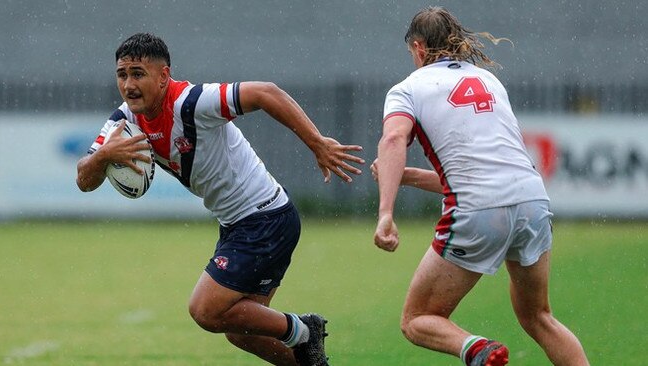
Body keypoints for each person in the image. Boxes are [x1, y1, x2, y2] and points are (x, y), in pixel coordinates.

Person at [76, 32, 365, 366]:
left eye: (138, 73)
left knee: (205, 310)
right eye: (122, 74)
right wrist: (102, 156)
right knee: (242, 331)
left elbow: (265, 93)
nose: (128, 84)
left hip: (263, 218)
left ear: (163, 76)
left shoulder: (192, 102)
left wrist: (317, 143)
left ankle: (304, 331)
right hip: (243, 223)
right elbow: (84, 180)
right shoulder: (123, 121)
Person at [371, 7, 589, 366]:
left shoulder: (407, 89)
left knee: (417, 320)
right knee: (539, 317)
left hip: (479, 211)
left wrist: (385, 213)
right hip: (532, 201)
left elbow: (394, 138)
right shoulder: (489, 81)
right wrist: (406, 176)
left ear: (419, 47)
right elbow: (492, 171)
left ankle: (478, 350)